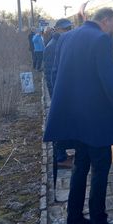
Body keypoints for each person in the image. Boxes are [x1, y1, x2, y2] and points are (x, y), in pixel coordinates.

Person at [43, 7, 113, 224]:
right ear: (105, 21)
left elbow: (55, 74)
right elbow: (109, 81)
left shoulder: (66, 37)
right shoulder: (101, 39)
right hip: (96, 121)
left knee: (79, 168)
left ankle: (73, 220)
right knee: (100, 171)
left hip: (75, 119)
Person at [43, 18, 74, 169]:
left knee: (62, 124)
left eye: (69, 28)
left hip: (61, 93)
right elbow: (49, 74)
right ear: (57, 29)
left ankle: (63, 155)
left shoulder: (59, 44)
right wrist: (56, 95)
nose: (68, 31)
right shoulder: (52, 46)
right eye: (65, 29)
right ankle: (60, 158)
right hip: (58, 94)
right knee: (59, 125)